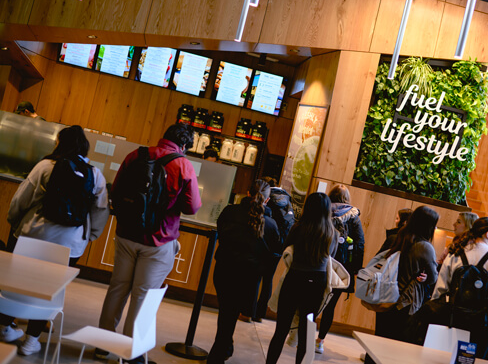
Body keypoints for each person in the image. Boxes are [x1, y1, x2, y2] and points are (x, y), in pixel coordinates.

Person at [97, 124, 201, 364]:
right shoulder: (183, 165)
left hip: (126, 234)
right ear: (184, 146)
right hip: (158, 241)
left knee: (117, 288)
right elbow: (192, 207)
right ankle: (131, 355)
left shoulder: (136, 155)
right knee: (142, 296)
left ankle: (102, 345)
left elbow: (117, 188)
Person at [1, 125, 109, 355]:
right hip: (70, 246)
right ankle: (31, 340)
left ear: (60, 143)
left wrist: (15, 222)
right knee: (50, 290)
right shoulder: (95, 175)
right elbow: (100, 210)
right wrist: (90, 235)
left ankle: (4, 327)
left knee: (17, 281)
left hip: (33, 235)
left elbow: (22, 198)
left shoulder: (45, 166)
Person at [207, 179, 281, 364]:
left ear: (247, 194)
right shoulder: (270, 225)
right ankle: (220, 351)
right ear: (266, 200)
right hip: (248, 277)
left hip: (224, 270)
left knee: (227, 312)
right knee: (229, 314)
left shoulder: (229, 212)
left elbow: (221, 235)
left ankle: (221, 349)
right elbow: (274, 252)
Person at [266, 192, 337, 364]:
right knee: (307, 335)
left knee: (280, 331)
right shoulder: (332, 233)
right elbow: (331, 258)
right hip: (316, 286)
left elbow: (286, 249)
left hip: (294, 280)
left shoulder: (298, 228)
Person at [363, 206, 439, 364]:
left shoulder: (397, 236)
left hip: (384, 296)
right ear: (429, 225)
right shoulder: (425, 247)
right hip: (405, 302)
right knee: (396, 349)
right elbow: (433, 277)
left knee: (378, 341)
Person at [432, 217, 488, 358]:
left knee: (444, 358)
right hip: (483, 322)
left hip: (453, 316)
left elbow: (441, 288)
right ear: (487, 234)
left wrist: (436, 314)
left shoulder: (456, 252)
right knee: (472, 360)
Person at [315, 184, 364, 354]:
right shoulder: (353, 216)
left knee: (313, 301)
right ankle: (320, 341)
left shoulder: (323, 210)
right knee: (330, 306)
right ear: (347, 198)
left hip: (319, 263)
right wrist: (355, 268)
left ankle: (302, 336)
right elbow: (359, 244)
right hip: (340, 267)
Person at [249, 177, 293, 323]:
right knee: (268, 279)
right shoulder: (286, 199)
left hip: (263, 242)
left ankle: (249, 311)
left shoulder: (268, 197)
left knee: (256, 277)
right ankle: (260, 314)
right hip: (278, 246)